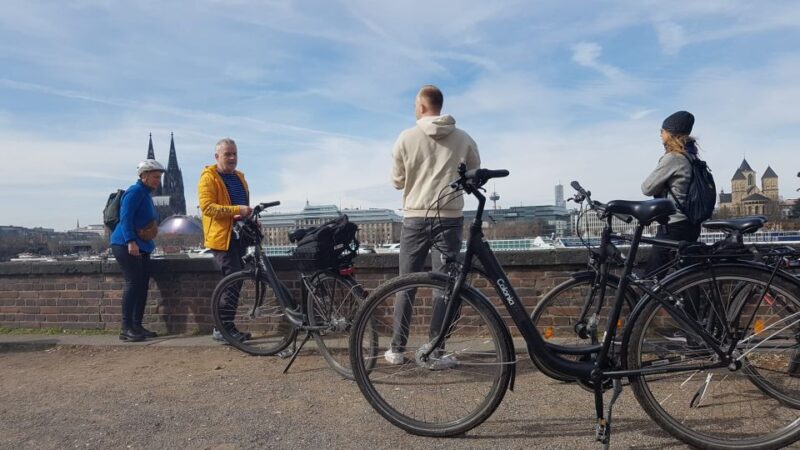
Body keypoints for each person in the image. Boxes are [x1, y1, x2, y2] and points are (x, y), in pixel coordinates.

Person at [385, 84, 481, 366]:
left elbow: (397, 181)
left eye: (416, 104)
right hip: (449, 218)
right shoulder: (463, 138)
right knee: (445, 286)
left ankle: (397, 350)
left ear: (423, 106)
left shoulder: (406, 137)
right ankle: (434, 351)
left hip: (415, 216)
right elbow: (475, 174)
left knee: (406, 284)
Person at [198, 138, 253, 343]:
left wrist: (250, 217)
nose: (232, 158)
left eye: (234, 154)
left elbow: (244, 206)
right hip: (222, 238)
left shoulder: (240, 177)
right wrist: (237, 210)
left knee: (236, 282)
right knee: (232, 281)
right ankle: (222, 329)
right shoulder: (208, 178)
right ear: (217, 156)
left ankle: (225, 327)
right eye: (227, 154)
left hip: (240, 237)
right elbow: (208, 208)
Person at [642, 110, 704, 277]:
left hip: (674, 224)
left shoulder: (674, 158)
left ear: (670, 133)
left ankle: (647, 304)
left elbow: (647, 188)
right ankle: (692, 304)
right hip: (691, 224)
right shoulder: (692, 157)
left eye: (662, 130)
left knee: (652, 276)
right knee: (687, 275)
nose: (660, 134)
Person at [110, 159, 165, 342]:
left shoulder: (145, 193)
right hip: (126, 245)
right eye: (156, 177)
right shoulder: (135, 192)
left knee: (141, 286)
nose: (158, 181)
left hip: (142, 245)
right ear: (144, 175)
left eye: (159, 177)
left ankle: (137, 325)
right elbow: (125, 219)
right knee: (133, 284)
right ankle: (126, 328)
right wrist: (131, 241)